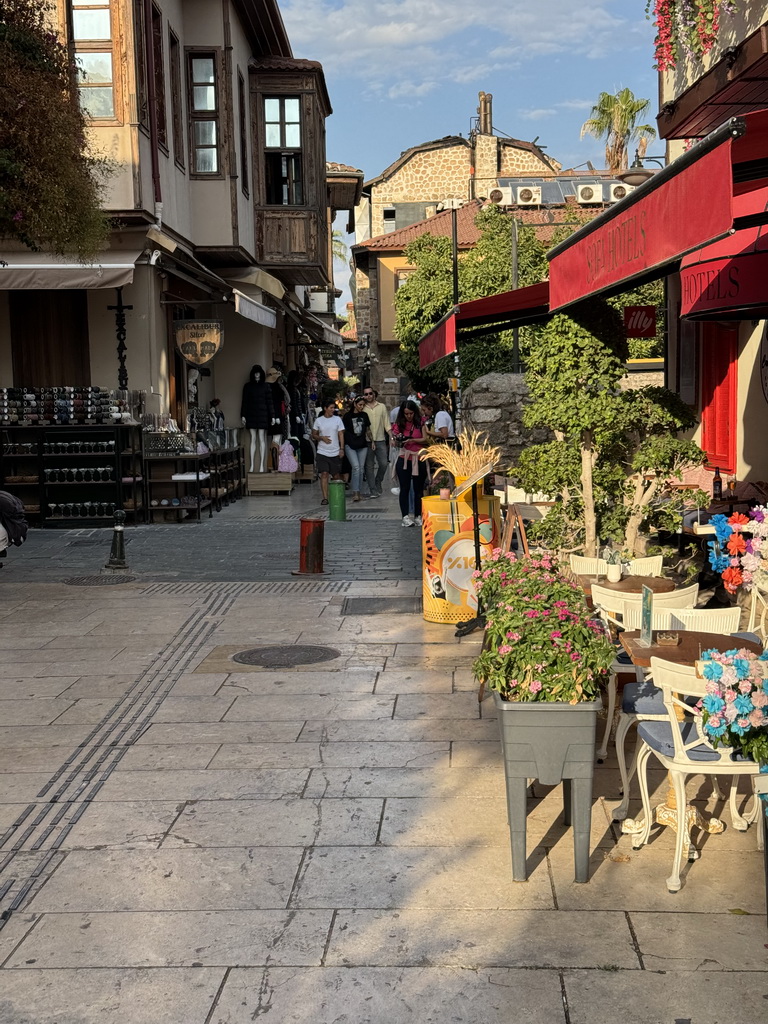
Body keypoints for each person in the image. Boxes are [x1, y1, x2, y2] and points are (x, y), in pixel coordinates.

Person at [392, 400, 428, 527]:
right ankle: (405, 516)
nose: (409, 416)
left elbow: (425, 439)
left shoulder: (421, 422)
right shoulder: (398, 424)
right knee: (405, 488)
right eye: (406, 414)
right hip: (404, 456)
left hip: (418, 457)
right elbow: (394, 441)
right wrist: (398, 440)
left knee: (419, 489)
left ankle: (418, 515)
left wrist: (412, 439)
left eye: (411, 413)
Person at [311, 400, 345, 505]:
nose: (333, 410)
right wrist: (321, 438)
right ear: (325, 408)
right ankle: (325, 498)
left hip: (335, 452)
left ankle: (335, 496)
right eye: (331, 407)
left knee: (336, 476)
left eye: (333, 408)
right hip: (322, 452)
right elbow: (313, 434)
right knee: (324, 473)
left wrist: (341, 448)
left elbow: (341, 435)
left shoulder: (338, 420)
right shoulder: (319, 421)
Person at [362, 387, 390, 498]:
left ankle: (378, 480)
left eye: (370, 393)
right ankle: (373, 489)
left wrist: (392, 437)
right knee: (369, 466)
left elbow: (386, 423)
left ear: (374, 394)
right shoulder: (362, 407)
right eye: (366, 394)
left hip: (380, 439)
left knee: (383, 463)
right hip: (367, 441)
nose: (368, 396)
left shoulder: (381, 407)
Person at [343, 396, 371, 502]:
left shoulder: (364, 415)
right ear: (355, 404)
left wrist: (372, 441)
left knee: (361, 469)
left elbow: (368, 429)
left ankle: (359, 492)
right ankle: (355, 492)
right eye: (360, 405)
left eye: (363, 405)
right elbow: (343, 431)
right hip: (350, 445)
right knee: (356, 467)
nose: (362, 407)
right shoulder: (347, 416)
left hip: (362, 444)